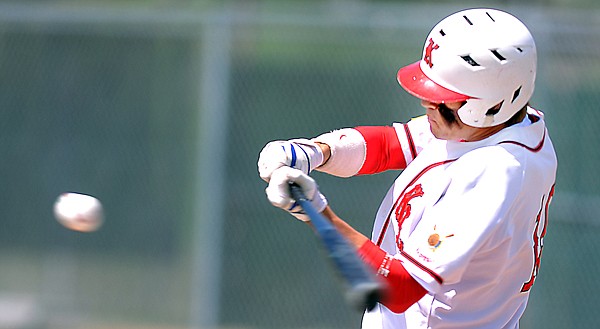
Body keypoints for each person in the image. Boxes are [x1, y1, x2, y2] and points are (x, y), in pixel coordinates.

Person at [257, 8, 557, 329]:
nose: (427, 102)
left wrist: (316, 212)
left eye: (444, 97)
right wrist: (316, 151)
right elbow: (390, 146)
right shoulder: (500, 123)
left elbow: (398, 288)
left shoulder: (496, 174)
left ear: (492, 104)